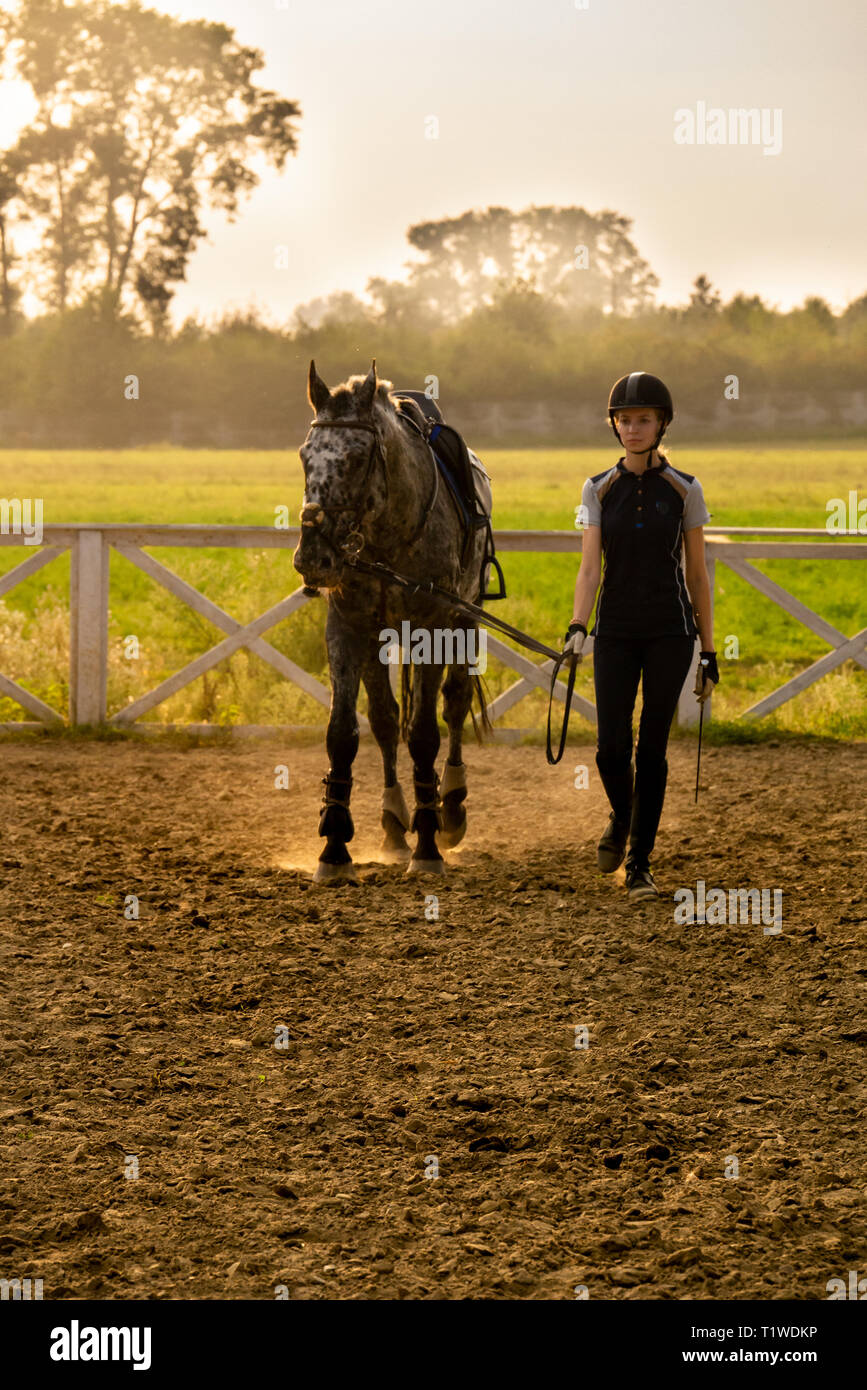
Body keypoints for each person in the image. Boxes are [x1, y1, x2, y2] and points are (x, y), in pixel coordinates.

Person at [563, 372, 719, 902]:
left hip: (670, 633)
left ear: (662, 425)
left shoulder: (685, 489)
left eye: (643, 420)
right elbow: (589, 570)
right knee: (610, 749)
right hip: (614, 631)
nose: (633, 428)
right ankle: (623, 815)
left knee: (650, 750)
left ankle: (639, 862)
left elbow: (697, 574)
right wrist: (577, 626)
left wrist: (710, 649)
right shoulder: (597, 488)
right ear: (615, 426)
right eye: (625, 420)